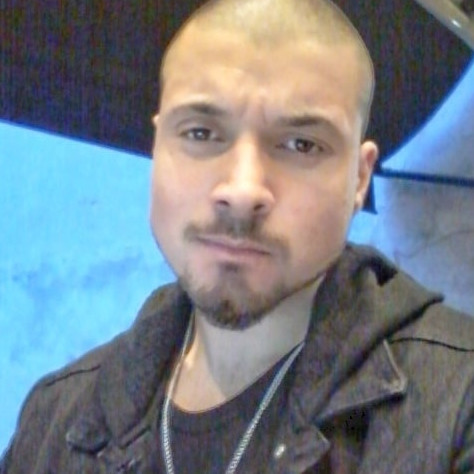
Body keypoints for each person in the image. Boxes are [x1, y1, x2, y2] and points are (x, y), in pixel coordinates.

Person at [2, 0, 474, 472]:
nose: (243, 191)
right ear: (158, 146)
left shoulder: (458, 406)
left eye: (302, 144)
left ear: (359, 179)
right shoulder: (55, 419)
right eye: (201, 133)